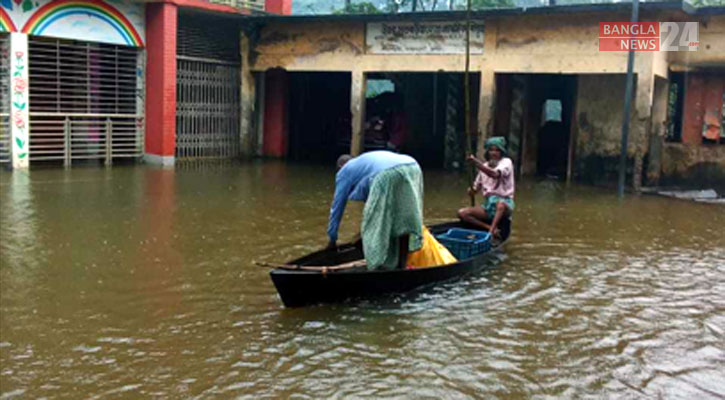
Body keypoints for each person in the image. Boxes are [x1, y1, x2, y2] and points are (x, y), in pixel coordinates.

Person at [327, 151, 424, 270]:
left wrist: (332, 239)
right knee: (403, 221)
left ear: (340, 167)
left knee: (372, 224)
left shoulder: (345, 171)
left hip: (387, 174)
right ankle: (401, 266)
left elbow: (337, 206)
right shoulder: (365, 165)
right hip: (412, 167)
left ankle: (377, 265)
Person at [457, 136, 515, 239]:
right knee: (462, 213)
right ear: (488, 152)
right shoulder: (484, 166)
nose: (494, 153)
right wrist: (472, 191)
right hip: (489, 206)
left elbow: (494, 174)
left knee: (500, 205)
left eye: (497, 150)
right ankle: (489, 228)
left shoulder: (506, 162)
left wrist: (475, 163)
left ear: (501, 152)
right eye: (491, 150)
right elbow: (476, 188)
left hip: (505, 204)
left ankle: (491, 232)